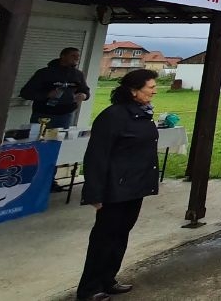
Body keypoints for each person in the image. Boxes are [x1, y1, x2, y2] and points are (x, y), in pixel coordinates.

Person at [75, 69, 158, 301]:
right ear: (133, 91)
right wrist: (94, 192)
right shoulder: (113, 116)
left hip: (135, 186)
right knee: (104, 238)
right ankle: (89, 289)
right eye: (150, 88)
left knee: (121, 235)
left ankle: (107, 279)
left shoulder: (141, 114)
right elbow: (97, 156)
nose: (154, 91)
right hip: (115, 188)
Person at [21, 46, 90, 129]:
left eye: (78, 56)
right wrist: (47, 94)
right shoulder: (44, 73)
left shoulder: (78, 74)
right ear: (63, 56)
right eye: (73, 56)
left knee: (58, 141)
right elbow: (25, 93)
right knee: (38, 140)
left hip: (65, 115)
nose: (77, 58)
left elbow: (85, 91)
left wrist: (83, 95)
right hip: (43, 114)